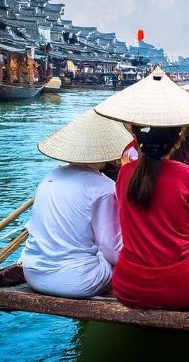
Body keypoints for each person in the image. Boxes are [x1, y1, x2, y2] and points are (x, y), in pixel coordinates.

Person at [20, 110, 131, 298]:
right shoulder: (104, 187)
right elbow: (112, 250)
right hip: (77, 281)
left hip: (33, 273)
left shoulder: (50, 177)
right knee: (124, 265)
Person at [113, 126, 189, 309]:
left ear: (137, 141)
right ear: (178, 141)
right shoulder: (188, 177)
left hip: (129, 285)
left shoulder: (125, 173)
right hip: (180, 287)